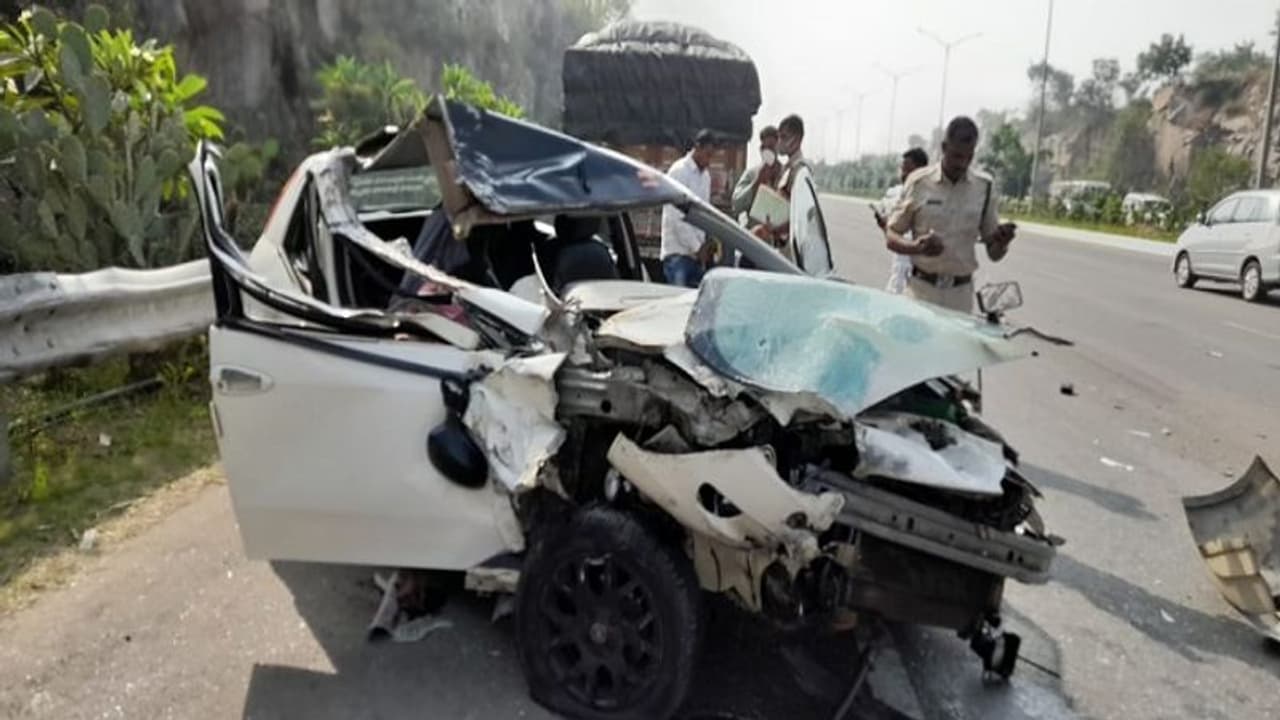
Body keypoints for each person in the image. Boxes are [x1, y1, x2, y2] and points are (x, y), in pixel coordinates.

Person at [885, 116, 1017, 313]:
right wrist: (916, 247)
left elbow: (993, 253)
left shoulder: (984, 187)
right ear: (944, 148)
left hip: (960, 297)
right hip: (921, 292)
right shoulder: (919, 182)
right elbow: (891, 235)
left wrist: (1002, 242)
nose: (962, 163)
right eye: (956, 156)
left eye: (968, 157)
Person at [660, 129, 717, 287]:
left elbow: (703, 213)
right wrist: (697, 247)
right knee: (679, 306)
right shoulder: (679, 172)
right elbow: (676, 217)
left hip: (697, 258)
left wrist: (706, 245)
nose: (709, 161)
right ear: (697, 148)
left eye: (712, 157)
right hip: (678, 255)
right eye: (707, 155)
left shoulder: (705, 177)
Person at [877, 147, 930, 294]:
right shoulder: (899, 196)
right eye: (902, 170)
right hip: (899, 275)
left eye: (908, 171)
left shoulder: (932, 199)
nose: (904, 175)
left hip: (921, 281)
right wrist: (885, 227)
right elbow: (894, 239)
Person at [731, 125, 781, 223]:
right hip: (755, 234)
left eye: (770, 147)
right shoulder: (751, 174)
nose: (767, 152)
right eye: (763, 148)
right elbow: (736, 204)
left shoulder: (786, 174)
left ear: (778, 148)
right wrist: (757, 183)